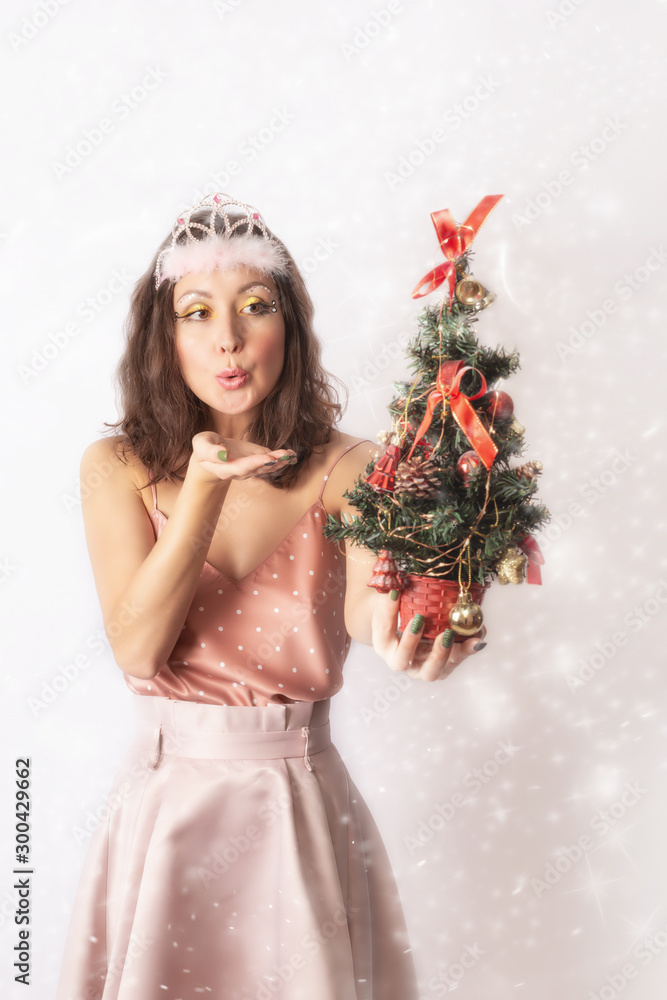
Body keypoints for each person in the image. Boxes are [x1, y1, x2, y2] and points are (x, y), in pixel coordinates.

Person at [55, 193, 486, 1000]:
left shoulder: (348, 464)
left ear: (289, 324)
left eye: (255, 307)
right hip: (166, 809)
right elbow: (137, 648)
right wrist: (204, 493)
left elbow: (366, 607)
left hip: (296, 806)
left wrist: (406, 637)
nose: (228, 337)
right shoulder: (116, 467)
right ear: (165, 336)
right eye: (196, 312)